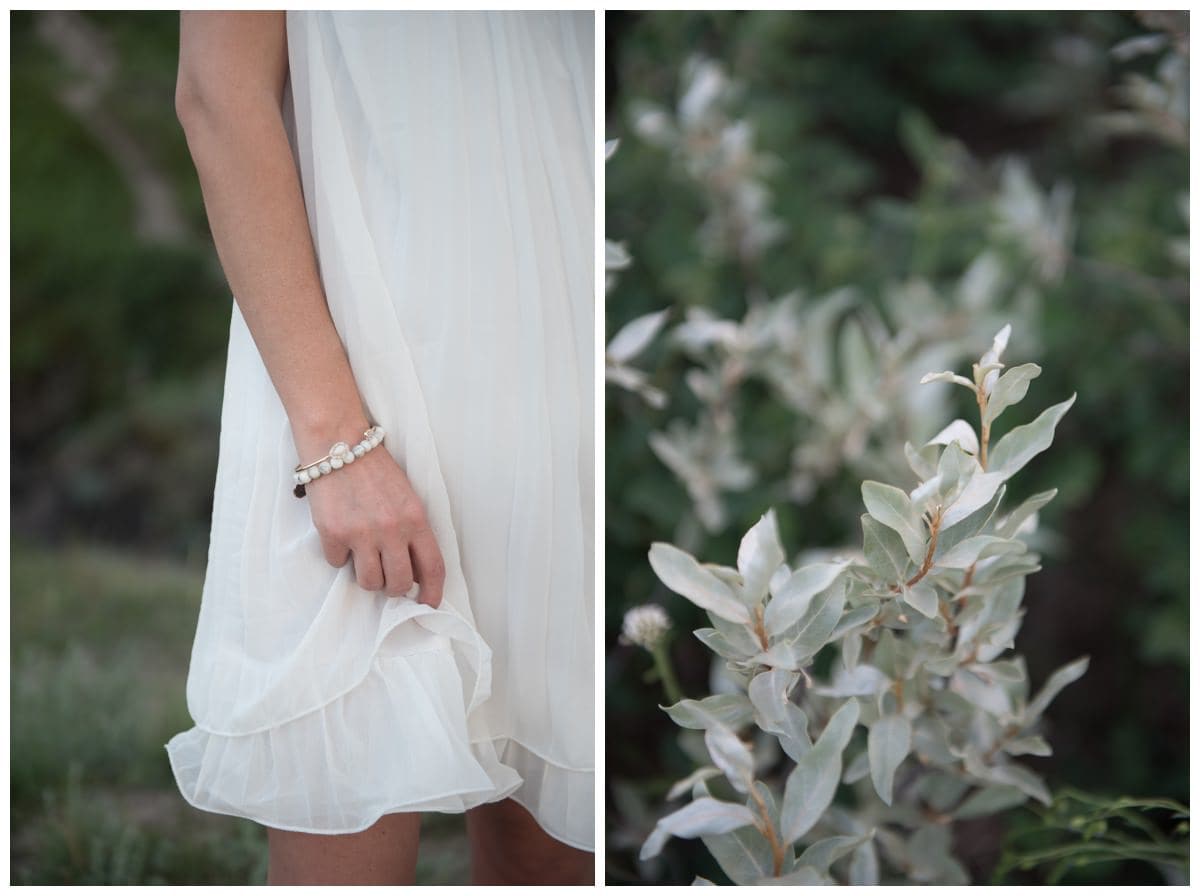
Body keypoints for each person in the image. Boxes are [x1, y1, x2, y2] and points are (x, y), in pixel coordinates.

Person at [167, 11, 594, 885]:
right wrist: (335, 441)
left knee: (555, 820)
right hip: (357, 353)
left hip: (562, 339)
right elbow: (217, 91)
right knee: (344, 773)